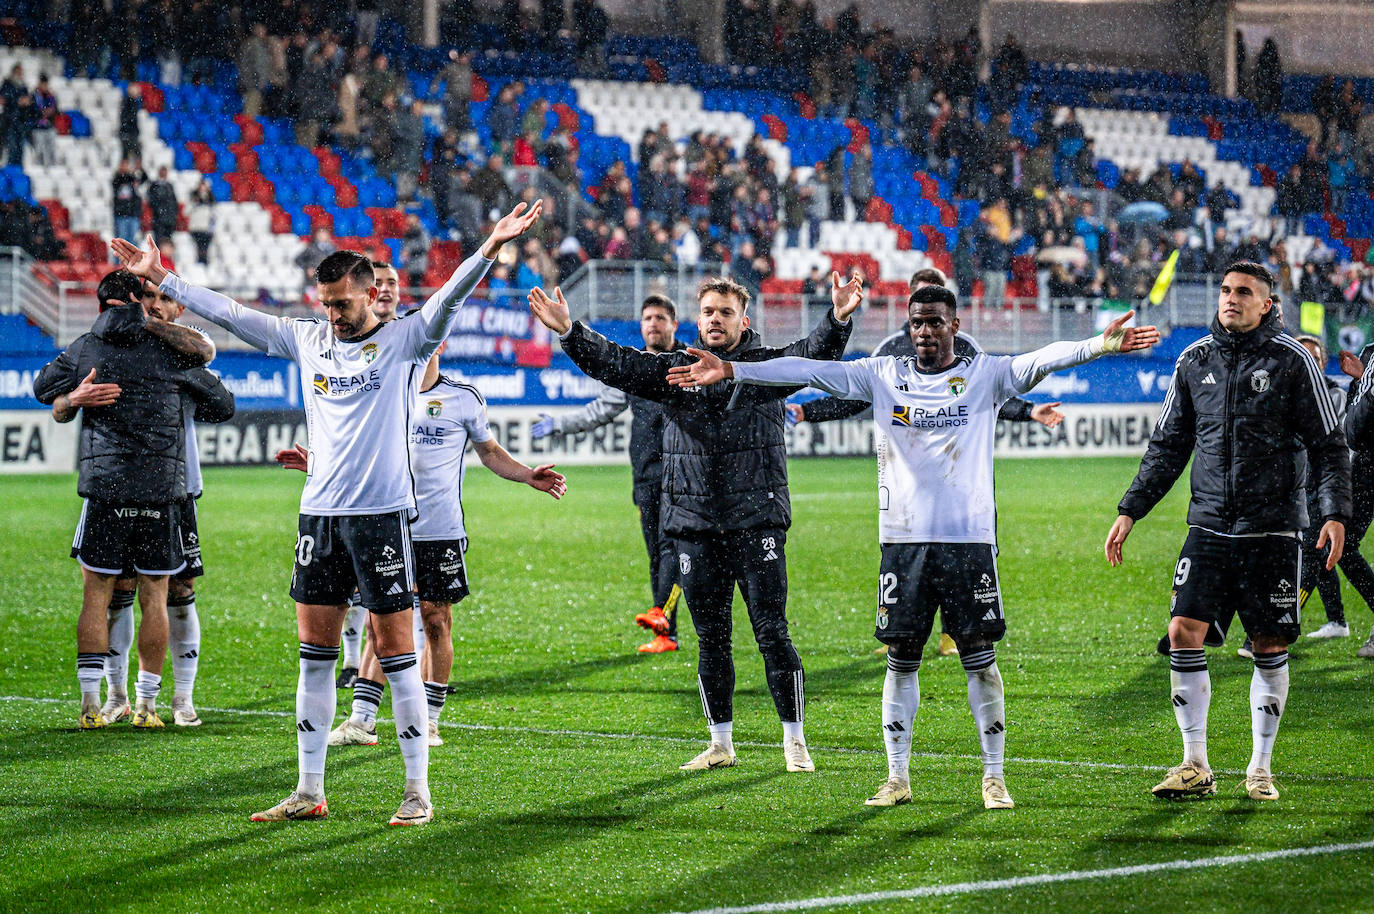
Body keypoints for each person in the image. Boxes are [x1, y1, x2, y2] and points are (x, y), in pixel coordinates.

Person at [110, 200, 542, 826]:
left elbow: (449, 298)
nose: (333, 315)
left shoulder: (406, 340)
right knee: (315, 654)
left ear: (371, 295)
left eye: (342, 304)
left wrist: (491, 246)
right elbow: (234, 314)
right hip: (319, 518)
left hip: (382, 518)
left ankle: (416, 792)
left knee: (396, 652)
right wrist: (165, 279)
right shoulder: (310, 340)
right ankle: (309, 791)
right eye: (326, 304)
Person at [666, 286, 1158, 810]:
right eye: (918, 322)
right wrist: (734, 370)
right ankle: (896, 777)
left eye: (936, 323)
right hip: (903, 543)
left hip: (969, 543)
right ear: (909, 326)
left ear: (954, 325)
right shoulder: (883, 376)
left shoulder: (986, 375)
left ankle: (994, 777)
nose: (925, 331)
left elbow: (1043, 357)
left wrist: (1098, 346)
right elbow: (805, 371)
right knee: (901, 658)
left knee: (979, 659)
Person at [529, 272, 862, 774]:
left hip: (756, 523)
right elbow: (618, 365)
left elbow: (814, 353)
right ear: (697, 318)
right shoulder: (674, 370)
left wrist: (838, 318)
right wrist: (570, 332)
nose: (715, 320)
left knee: (772, 633)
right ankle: (720, 743)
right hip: (695, 524)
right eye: (708, 311)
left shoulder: (768, 367)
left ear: (743, 321)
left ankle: (794, 740)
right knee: (712, 638)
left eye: (725, 313)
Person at [1105, 262, 1351, 802]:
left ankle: (1259, 766)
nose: (1231, 299)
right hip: (1210, 527)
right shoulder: (1195, 361)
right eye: (1225, 290)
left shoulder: (1292, 361)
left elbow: (1329, 447)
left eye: (1244, 292)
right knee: (1182, 633)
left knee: (1268, 644)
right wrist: (1131, 509)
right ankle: (1195, 762)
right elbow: (1168, 445)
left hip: (1272, 530)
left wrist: (1333, 513)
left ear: (1267, 304)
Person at [289, 342, 567, 748]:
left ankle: (430, 718)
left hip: (439, 530)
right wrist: (317, 464)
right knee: (379, 623)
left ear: (440, 343)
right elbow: (353, 451)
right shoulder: (381, 392)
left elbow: (489, 451)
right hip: (387, 524)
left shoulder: (462, 398)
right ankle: (362, 720)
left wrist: (527, 475)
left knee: (436, 621)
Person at [789, 267, 1064, 658]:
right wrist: (809, 413)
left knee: (969, 547)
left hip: (961, 487)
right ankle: (909, 627)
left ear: (950, 318)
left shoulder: (966, 347)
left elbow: (988, 392)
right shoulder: (888, 352)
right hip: (906, 502)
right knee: (908, 590)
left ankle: (957, 629)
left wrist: (1029, 410)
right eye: (918, 312)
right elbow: (855, 396)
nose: (926, 325)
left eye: (935, 314)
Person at [32, 269, 234, 729]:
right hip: (162, 487)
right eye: (146, 296)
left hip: (168, 487)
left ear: (178, 307)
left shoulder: (174, 341)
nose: (154, 303)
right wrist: (73, 401)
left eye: (161, 296)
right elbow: (222, 402)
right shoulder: (171, 354)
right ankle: (126, 699)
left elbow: (44, 386)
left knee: (169, 593)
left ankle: (176, 699)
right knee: (137, 594)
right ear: (135, 300)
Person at [531, 294, 687, 653]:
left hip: (682, 477)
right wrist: (559, 424)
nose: (653, 324)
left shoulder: (689, 364)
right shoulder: (636, 370)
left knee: (670, 547)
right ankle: (666, 634)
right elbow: (600, 410)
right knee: (657, 552)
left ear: (674, 324)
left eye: (661, 318)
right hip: (646, 476)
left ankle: (664, 614)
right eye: (648, 318)